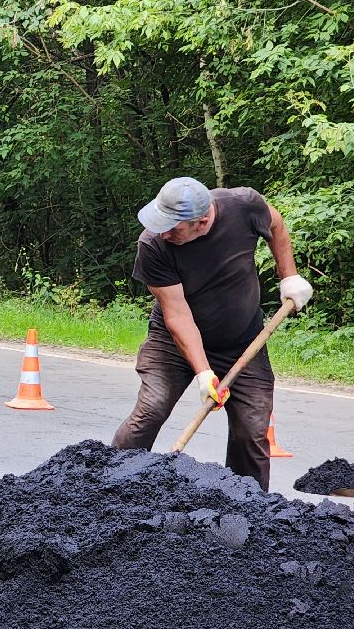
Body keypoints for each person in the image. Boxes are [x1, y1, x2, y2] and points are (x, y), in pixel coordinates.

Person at [110, 177, 312, 490]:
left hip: (242, 341)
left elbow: (276, 224)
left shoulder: (244, 205)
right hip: (172, 343)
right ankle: (108, 484)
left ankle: (249, 504)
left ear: (202, 222)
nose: (163, 232)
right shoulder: (153, 245)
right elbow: (177, 314)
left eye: (173, 227)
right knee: (151, 409)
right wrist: (205, 373)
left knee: (252, 428)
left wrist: (290, 277)